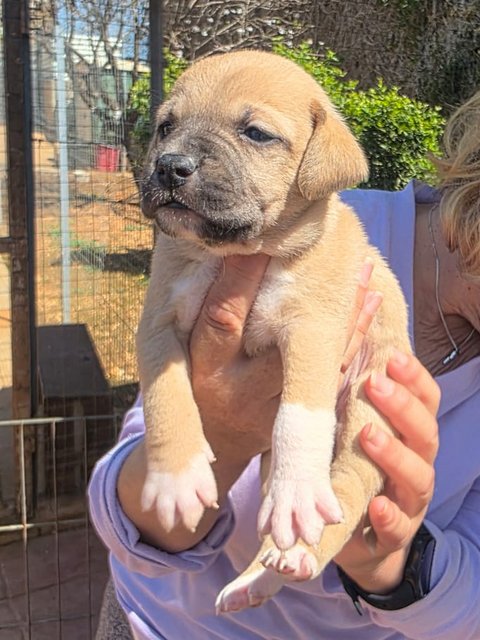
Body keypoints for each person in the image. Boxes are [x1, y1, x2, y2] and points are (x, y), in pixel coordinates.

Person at [90, 90, 480, 640]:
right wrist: (222, 436)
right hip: (168, 625)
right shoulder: (294, 219)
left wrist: (392, 566)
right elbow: (129, 519)